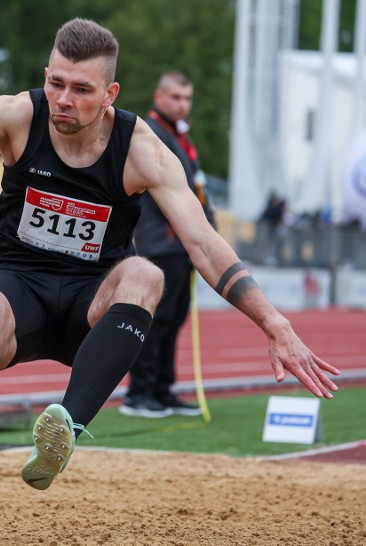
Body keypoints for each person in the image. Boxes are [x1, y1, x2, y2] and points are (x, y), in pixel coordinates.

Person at [0, 18, 339, 505]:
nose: (63, 100)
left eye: (81, 89)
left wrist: (274, 322)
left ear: (110, 94)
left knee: (147, 272)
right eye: (56, 83)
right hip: (19, 291)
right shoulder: (19, 115)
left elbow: (203, 244)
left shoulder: (142, 149)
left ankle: (64, 429)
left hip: (92, 309)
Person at [119, 71, 214, 418]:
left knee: (173, 321)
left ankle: (162, 389)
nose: (182, 104)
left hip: (182, 245)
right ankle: (139, 393)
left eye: (187, 98)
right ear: (159, 96)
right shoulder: (151, 134)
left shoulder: (180, 135)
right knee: (154, 321)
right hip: (161, 242)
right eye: (175, 97)